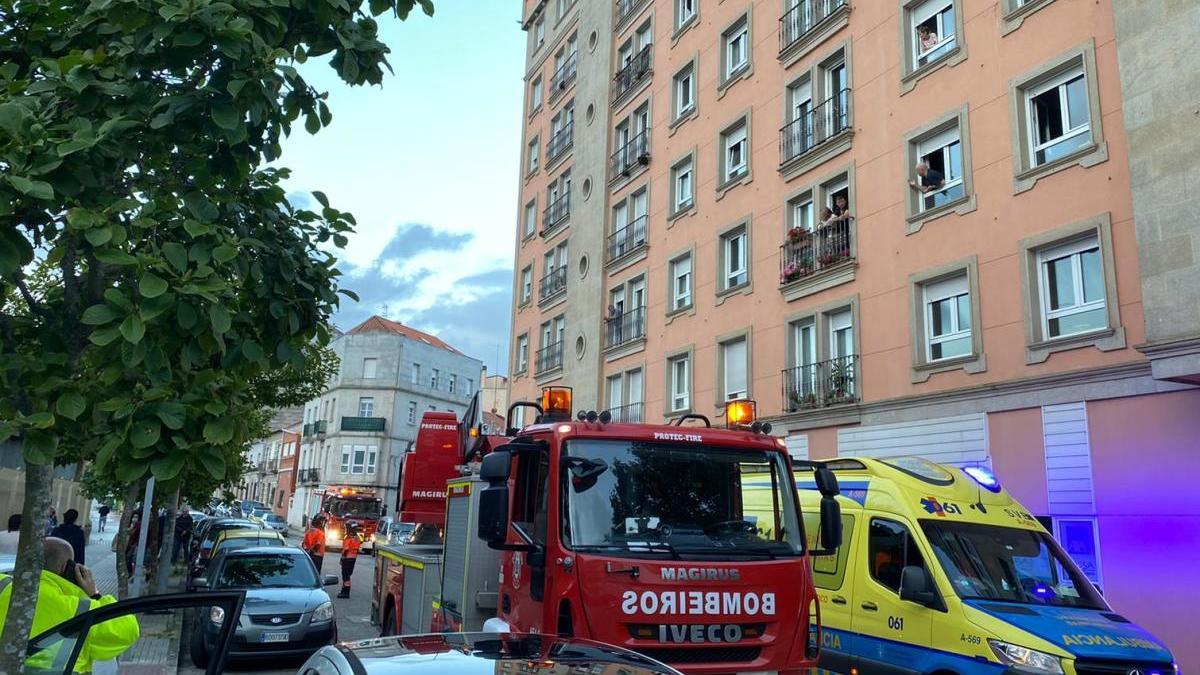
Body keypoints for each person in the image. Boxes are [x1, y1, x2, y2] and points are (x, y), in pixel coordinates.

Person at [0, 537, 140, 673]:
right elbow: (128, 630)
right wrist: (94, 594)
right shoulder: (80, 608)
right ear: (67, 568)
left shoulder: (3, 587)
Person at [336, 523, 362, 599]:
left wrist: (342, 558)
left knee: (345, 575)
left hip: (347, 558)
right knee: (348, 575)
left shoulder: (348, 537)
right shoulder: (357, 538)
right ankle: (344, 590)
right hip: (353, 559)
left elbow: (346, 549)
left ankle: (345, 592)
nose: (346, 529)